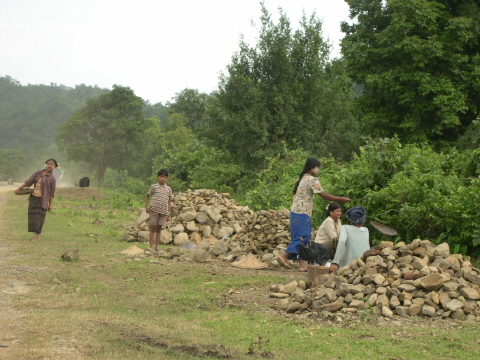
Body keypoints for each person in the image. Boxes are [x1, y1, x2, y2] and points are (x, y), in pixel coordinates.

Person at [277, 157, 350, 272]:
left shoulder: (301, 178)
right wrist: (340, 199)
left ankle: (302, 265)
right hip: (302, 212)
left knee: (301, 239)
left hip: (295, 212)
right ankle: (284, 257)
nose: (318, 170)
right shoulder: (312, 179)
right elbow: (324, 195)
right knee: (303, 237)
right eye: (317, 167)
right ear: (312, 168)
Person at [15, 159, 58, 241]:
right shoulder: (38, 173)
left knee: (40, 218)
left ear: (55, 167)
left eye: (52, 164)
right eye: (48, 163)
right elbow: (28, 182)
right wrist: (20, 188)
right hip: (34, 198)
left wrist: (50, 204)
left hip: (43, 200)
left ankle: (37, 236)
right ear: (46, 164)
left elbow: (52, 193)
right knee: (33, 216)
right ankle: (35, 234)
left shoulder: (52, 179)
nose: (50, 165)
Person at [330, 206, 370, 272]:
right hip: (364, 263)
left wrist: (335, 262)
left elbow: (342, 242)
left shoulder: (345, 228)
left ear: (350, 220)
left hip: (349, 265)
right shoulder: (366, 230)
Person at [145, 169, 172, 252]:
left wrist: (169, 211)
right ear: (158, 177)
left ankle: (157, 247)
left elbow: (169, 201)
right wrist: (146, 206)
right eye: (161, 176)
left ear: (166, 178)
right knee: (152, 227)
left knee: (159, 229)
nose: (162, 178)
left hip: (163, 211)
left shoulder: (168, 189)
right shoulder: (154, 186)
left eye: (164, 177)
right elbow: (147, 196)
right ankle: (151, 247)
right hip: (154, 210)